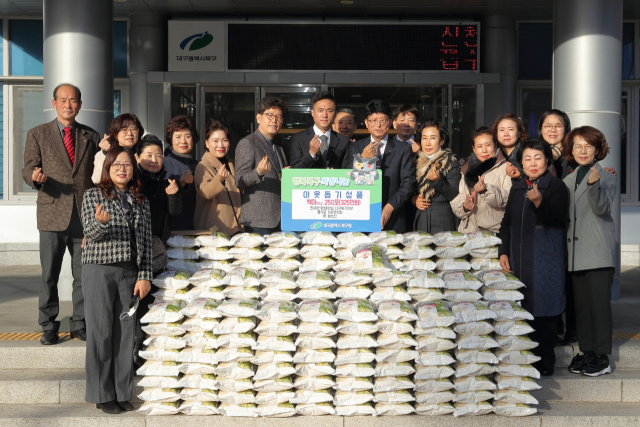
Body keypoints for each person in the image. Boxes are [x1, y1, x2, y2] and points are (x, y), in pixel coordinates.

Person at [21, 83, 100, 345]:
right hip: (52, 213)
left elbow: (99, 172)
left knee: (83, 273)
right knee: (49, 275)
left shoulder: (91, 135)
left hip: (84, 215)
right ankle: (48, 326)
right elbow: (28, 168)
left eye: (73, 100)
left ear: (80, 104)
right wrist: (35, 178)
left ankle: (80, 324)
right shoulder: (38, 134)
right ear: (54, 103)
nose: (68, 105)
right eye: (63, 100)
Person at [81, 146, 152, 414]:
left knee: (124, 334)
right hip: (99, 269)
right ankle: (102, 393)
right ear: (107, 169)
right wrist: (100, 224)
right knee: (101, 333)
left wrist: (144, 276)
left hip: (129, 273)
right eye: (117, 165)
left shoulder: (141, 200)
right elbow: (89, 232)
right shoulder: (93, 195)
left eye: (127, 165)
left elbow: (145, 241)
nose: (122, 169)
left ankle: (123, 392)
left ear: (133, 169)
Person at [498, 138, 569, 377]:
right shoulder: (517, 188)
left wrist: (539, 203)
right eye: (527, 158)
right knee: (523, 306)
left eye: (538, 158)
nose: (533, 163)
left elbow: (558, 219)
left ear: (547, 160)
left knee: (545, 308)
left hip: (545, 258)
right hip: (519, 256)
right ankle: (525, 356)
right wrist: (503, 251)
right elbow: (506, 223)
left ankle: (546, 359)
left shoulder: (557, 187)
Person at [563, 126, 617, 377]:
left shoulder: (607, 177)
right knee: (582, 307)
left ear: (598, 150)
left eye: (588, 146)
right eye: (577, 146)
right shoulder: (569, 179)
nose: (582, 151)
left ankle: (603, 357)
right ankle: (587, 352)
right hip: (575, 253)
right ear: (571, 150)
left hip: (596, 253)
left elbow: (601, 209)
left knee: (599, 307)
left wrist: (594, 185)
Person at [133, 134, 182, 366]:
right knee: (135, 301)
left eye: (159, 155)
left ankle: (145, 351)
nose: (155, 160)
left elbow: (174, 213)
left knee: (150, 301)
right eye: (149, 155)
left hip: (156, 252)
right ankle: (134, 352)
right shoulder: (131, 182)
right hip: (133, 252)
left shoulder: (167, 182)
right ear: (137, 157)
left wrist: (173, 196)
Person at [345, 100, 415, 232]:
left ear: (389, 122)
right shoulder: (356, 147)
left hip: (394, 217)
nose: (378, 125)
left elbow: (408, 183)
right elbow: (350, 180)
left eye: (382, 120)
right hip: (363, 215)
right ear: (366, 123)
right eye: (373, 120)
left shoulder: (403, 148)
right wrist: (363, 161)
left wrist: (390, 206)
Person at [235, 96, 289, 235]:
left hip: (280, 218)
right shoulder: (247, 143)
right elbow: (239, 180)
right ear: (259, 118)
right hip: (258, 221)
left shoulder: (278, 146)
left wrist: (286, 176)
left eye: (279, 117)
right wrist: (258, 172)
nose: (274, 120)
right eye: (269, 115)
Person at [450, 127, 511, 233]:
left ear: (495, 145)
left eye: (488, 145)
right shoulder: (467, 169)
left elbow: (507, 199)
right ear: (474, 149)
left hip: (494, 232)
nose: (484, 150)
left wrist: (485, 191)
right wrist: (465, 208)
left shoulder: (506, 167)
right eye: (479, 146)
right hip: (469, 232)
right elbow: (459, 197)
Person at [194, 120, 242, 235]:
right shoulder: (203, 166)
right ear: (206, 143)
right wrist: (219, 179)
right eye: (215, 141)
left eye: (224, 140)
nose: (220, 145)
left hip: (235, 227)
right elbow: (205, 192)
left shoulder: (233, 164)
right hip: (214, 229)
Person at [412, 119, 460, 234]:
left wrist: (438, 181)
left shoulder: (450, 161)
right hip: (421, 217)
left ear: (442, 141)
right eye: (424, 138)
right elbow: (408, 188)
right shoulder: (415, 161)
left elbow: (453, 193)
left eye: (433, 138)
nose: (428, 143)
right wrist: (414, 199)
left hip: (442, 217)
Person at [289, 91, 350, 169]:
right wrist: (311, 154)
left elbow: (346, 171)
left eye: (329, 111)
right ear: (312, 113)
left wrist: (335, 174)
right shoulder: (297, 139)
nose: (324, 115)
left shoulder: (343, 141)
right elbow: (294, 171)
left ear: (335, 114)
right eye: (320, 110)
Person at [163, 115, 199, 231]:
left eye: (187, 136)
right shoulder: (166, 163)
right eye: (178, 137)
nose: (183, 141)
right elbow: (165, 196)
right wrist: (181, 183)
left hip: (196, 228)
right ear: (170, 139)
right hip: (175, 231)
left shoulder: (197, 164)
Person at [92, 113, 144, 184]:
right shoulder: (103, 154)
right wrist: (105, 154)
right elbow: (97, 180)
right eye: (124, 129)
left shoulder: (143, 155)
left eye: (134, 129)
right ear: (116, 134)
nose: (129, 133)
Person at [492, 113, 527, 182]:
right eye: (502, 130)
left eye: (510, 129)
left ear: (519, 132)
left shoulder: (528, 153)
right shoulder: (491, 155)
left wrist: (520, 175)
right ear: (496, 133)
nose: (506, 134)